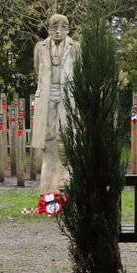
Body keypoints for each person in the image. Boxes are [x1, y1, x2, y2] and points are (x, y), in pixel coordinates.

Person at [31, 14, 81, 194]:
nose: (58, 31)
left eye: (62, 27)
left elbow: (79, 70)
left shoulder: (75, 47)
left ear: (68, 29)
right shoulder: (40, 47)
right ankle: (49, 183)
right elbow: (38, 69)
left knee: (66, 134)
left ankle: (67, 177)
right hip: (47, 94)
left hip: (67, 94)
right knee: (48, 136)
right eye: (54, 27)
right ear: (48, 29)